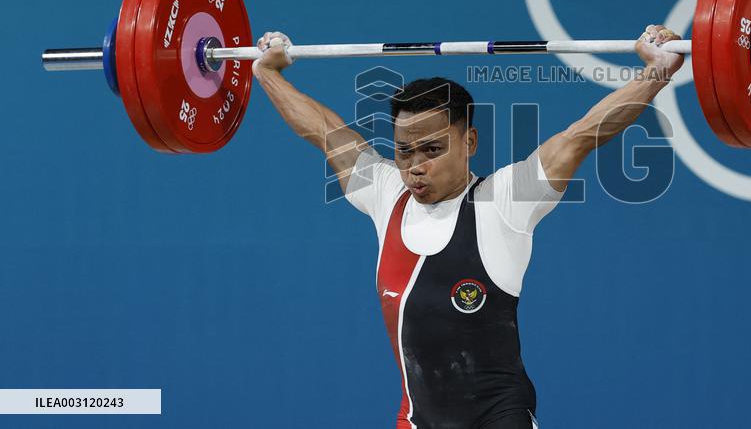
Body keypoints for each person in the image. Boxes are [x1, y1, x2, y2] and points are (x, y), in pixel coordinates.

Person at [251, 26, 683, 428]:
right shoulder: (385, 193)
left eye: (433, 149)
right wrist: (267, 73)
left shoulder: (505, 201)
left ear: (469, 142)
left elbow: (581, 135)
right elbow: (324, 130)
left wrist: (657, 72)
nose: (415, 166)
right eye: (404, 151)